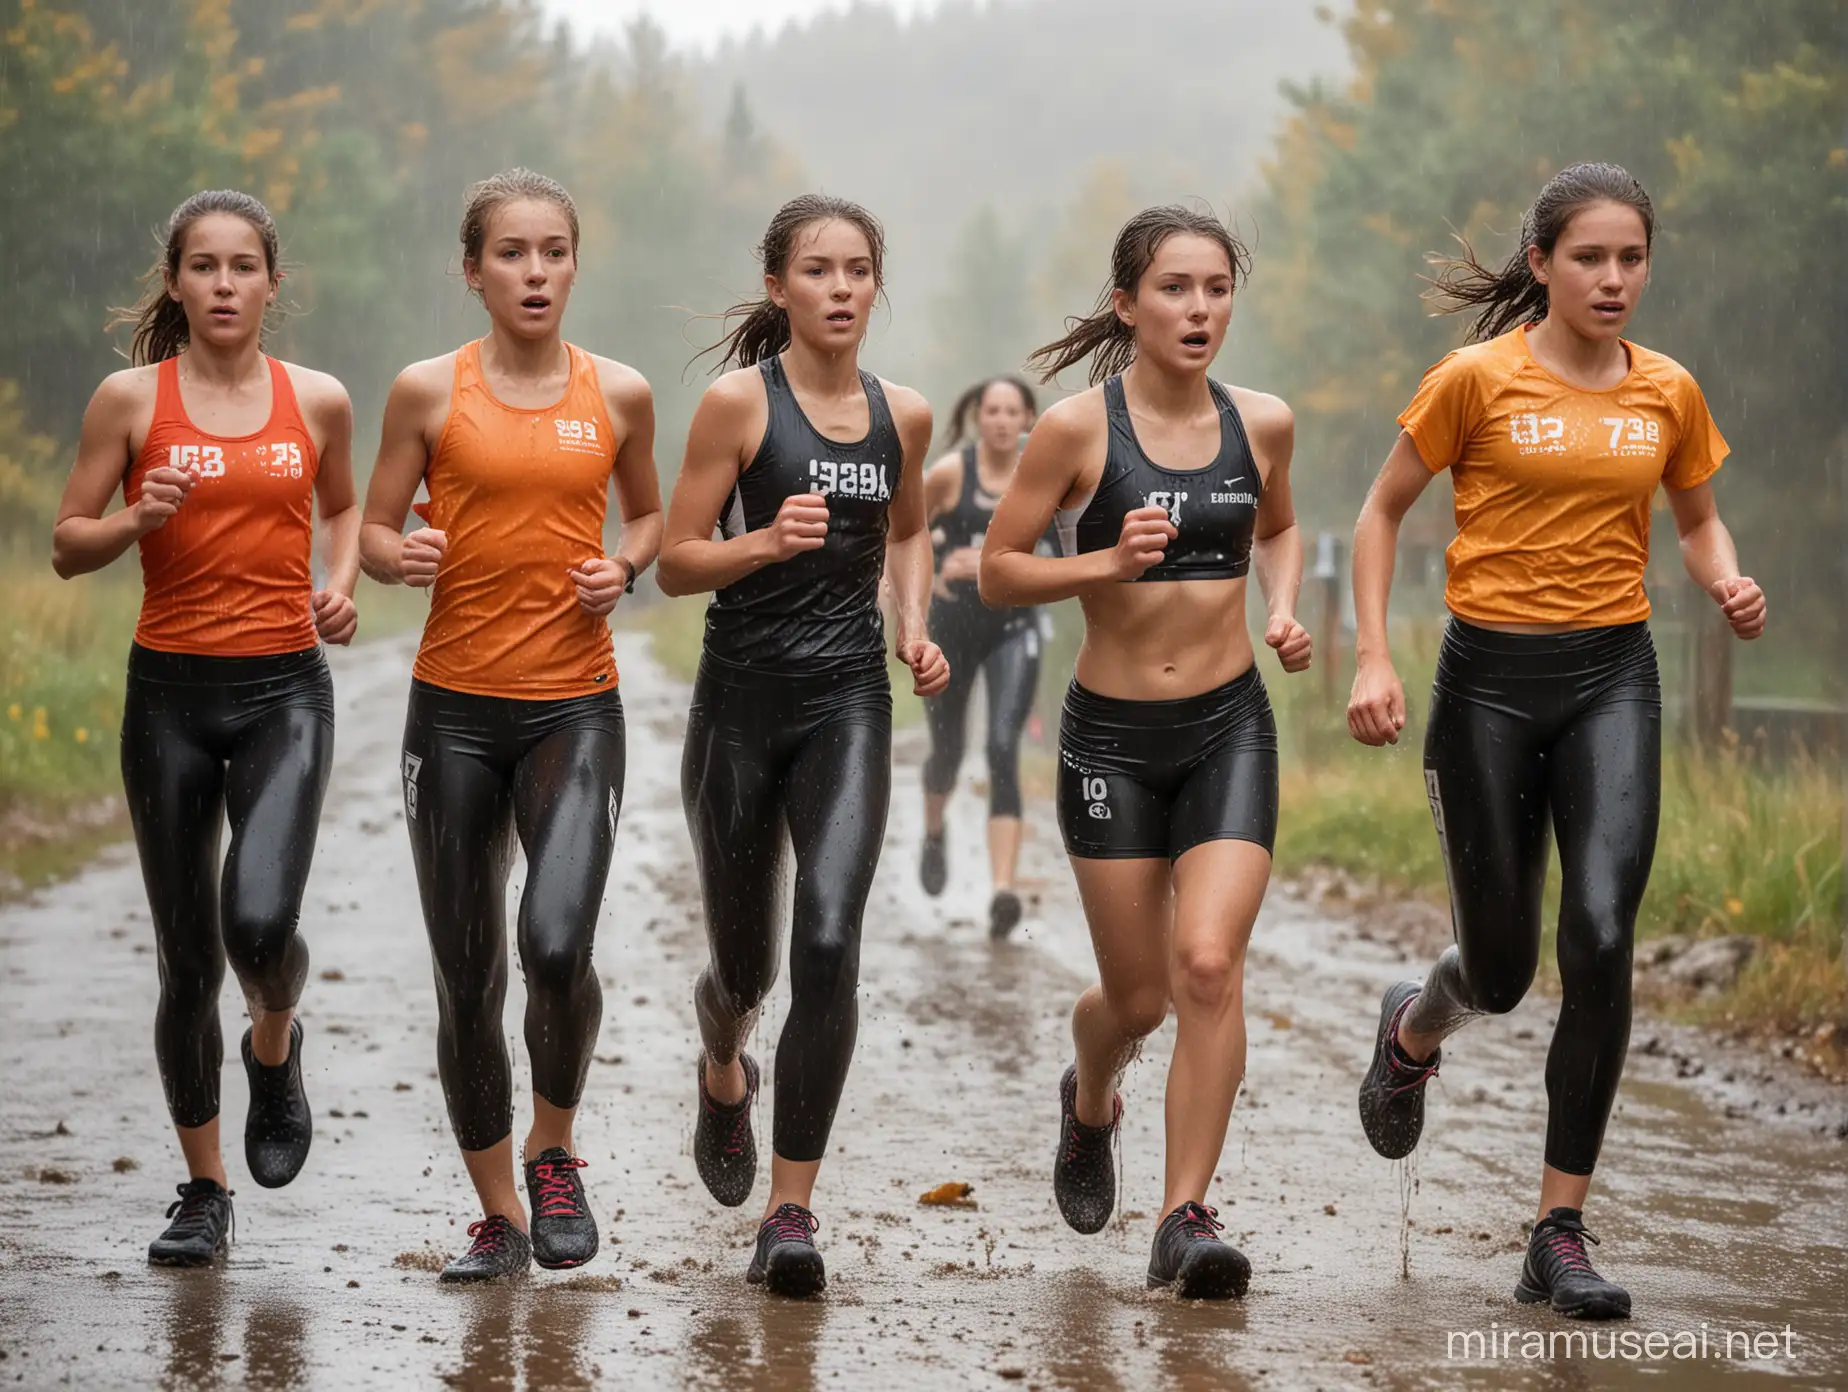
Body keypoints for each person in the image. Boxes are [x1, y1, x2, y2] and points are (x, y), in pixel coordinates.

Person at [1347, 163, 1765, 1321]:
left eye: (1632, 257)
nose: (1615, 278)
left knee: (1600, 933)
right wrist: (1374, 655)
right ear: (1541, 264)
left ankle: (1558, 1230)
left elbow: (1698, 518)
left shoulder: (1669, 391)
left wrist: (1724, 578)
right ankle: (1414, 1025)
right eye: (1590, 257)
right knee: (1502, 970)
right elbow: (1380, 511)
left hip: (1612, 678)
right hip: (1485, 686)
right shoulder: (1475, 379)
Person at [979, 205, 1310, 1299]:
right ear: (1128, 304)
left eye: (1216, 287)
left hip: (1228, 725)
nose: (1199, 307)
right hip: (1111, 741)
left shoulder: (1263, 422)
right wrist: (1102, 564)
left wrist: (1284, 606)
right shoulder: (1077, 430)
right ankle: (1089, 1097)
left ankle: (1183, 1215)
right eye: (1174, 288)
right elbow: (998, 570)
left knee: (1206, 965)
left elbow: (1278, 525)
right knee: (1136, 1003)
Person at [359, 168, 662, 1284]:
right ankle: (497, 1216)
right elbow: (375, 531)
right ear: (474, 268)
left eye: (554, 253)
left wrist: (623, 566)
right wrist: (400, 555)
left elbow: (652, 517)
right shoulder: (426, 393)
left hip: (575, 707)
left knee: (555, 943)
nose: (535, 273)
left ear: (576, 264)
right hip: (453, 711)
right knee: (468, 972)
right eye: (512, 254)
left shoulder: (618, 393)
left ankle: (553, 1150)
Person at [51, 190, 360, 1266]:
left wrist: (341, 581)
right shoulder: (129, 401)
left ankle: (273, 1048)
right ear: (175, 282)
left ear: (274, 284)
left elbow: (346, 508)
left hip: (284, 692)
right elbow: (67, 544)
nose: (224, 285)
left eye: (243, 267)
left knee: (260, 927)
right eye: (203, 267)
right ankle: (203, 1189)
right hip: (168, 697)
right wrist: (136, 517)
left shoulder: (316, 399)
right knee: (188, 961)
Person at [658, 193, 944, 1297]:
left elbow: (909, 530)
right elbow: (676, 560)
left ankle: (791, 1210)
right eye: (817, 270)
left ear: (876, 285)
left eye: (858, 269)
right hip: (737, 705)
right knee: (748, 967)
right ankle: (723, 1061)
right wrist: (763, 543)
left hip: (847, 702)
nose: (839, 288)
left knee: (828, 938)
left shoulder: (901, 415)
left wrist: (912, 624)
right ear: (778, 285)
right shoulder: (740, 406)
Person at [917, 375, 1045, 937]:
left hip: (1014, 627)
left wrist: (1000, 564)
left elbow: (1067, 541)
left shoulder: (1041, 474)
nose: (999, 420)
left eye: (1010, 411)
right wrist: (933, 575)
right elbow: (901, 533)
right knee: (948, 750)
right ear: (977, 418)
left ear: (1027, 420)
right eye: (990, 410)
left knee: (1000, 747)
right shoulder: (949, 474)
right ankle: (935, 829)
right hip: (953, 629)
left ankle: (1001, 889)